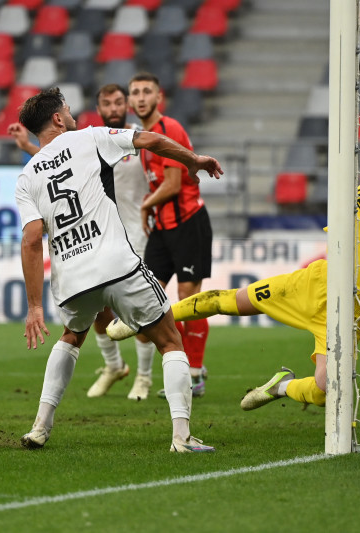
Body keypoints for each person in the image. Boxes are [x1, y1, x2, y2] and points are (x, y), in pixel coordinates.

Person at [108, 85, 360, 411]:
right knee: (227, 300)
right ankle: (144, 318)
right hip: (313, 285)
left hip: (347, 317)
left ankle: (280, 387)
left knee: (327, 389)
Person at [15, 87, 222, 452]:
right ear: (58, 119)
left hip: (73, 277)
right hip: (116, 265)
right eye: (67, 108)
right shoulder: (91, 138)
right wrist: (193, 160)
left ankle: (39, 427)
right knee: (170, 340)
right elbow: (152, 139)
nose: (72, 113)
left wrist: (34, 306)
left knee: (72, 336)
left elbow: (32, 240)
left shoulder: (26, 177)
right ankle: (181, 437)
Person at [9, 84, 156, 401]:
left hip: (135, 231)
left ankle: (144, 377)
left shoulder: (125, 137)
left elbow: (158, 162)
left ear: (126, 105)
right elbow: (62, 172)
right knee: (99, 310)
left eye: (119, 102)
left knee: (142, 313)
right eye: (107, 102)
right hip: (99, 234)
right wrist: (31, 148)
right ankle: (114, 366)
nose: (114, 107)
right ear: (100, 106)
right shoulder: (88, 139)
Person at [128, 72, 213, 399]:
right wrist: (151, 207)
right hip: (163, 230)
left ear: (158, 97)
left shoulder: (170, 129)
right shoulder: (145, 137)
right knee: (148, 300)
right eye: (135, 92)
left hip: (188, 223)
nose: (140, 97)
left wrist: (146, 205)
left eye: (147, 91)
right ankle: (169, 368)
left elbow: (174, 184)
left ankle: (194, 372)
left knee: (188, 302)